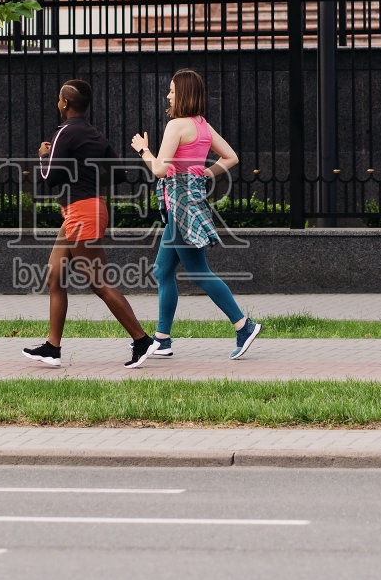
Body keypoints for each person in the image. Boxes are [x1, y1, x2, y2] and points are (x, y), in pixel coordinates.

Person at [22, 79, 157, 369]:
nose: (58, 103)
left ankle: (142, 339)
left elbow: (49, 178)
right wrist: (86, 181)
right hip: (87, 209)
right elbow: (118, 174)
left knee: (99, 284)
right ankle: (52, 347)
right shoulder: (94, 134)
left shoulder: (65, 133)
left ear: (65, 104)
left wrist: (44, 157)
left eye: (59, 99)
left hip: (82, 213)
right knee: (55, 276)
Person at [130, 68, 262, 360]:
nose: (168, 95)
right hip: (190, 201)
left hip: (181, 206)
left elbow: (160, 169)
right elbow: (231, 157)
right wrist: (204, 172)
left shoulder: (177, 126)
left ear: (184, 94)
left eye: (173, 90)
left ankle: (243, 325)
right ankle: (162, 339)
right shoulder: (202, 126)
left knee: (199, 272)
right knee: (163, 270)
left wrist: (143, 150)